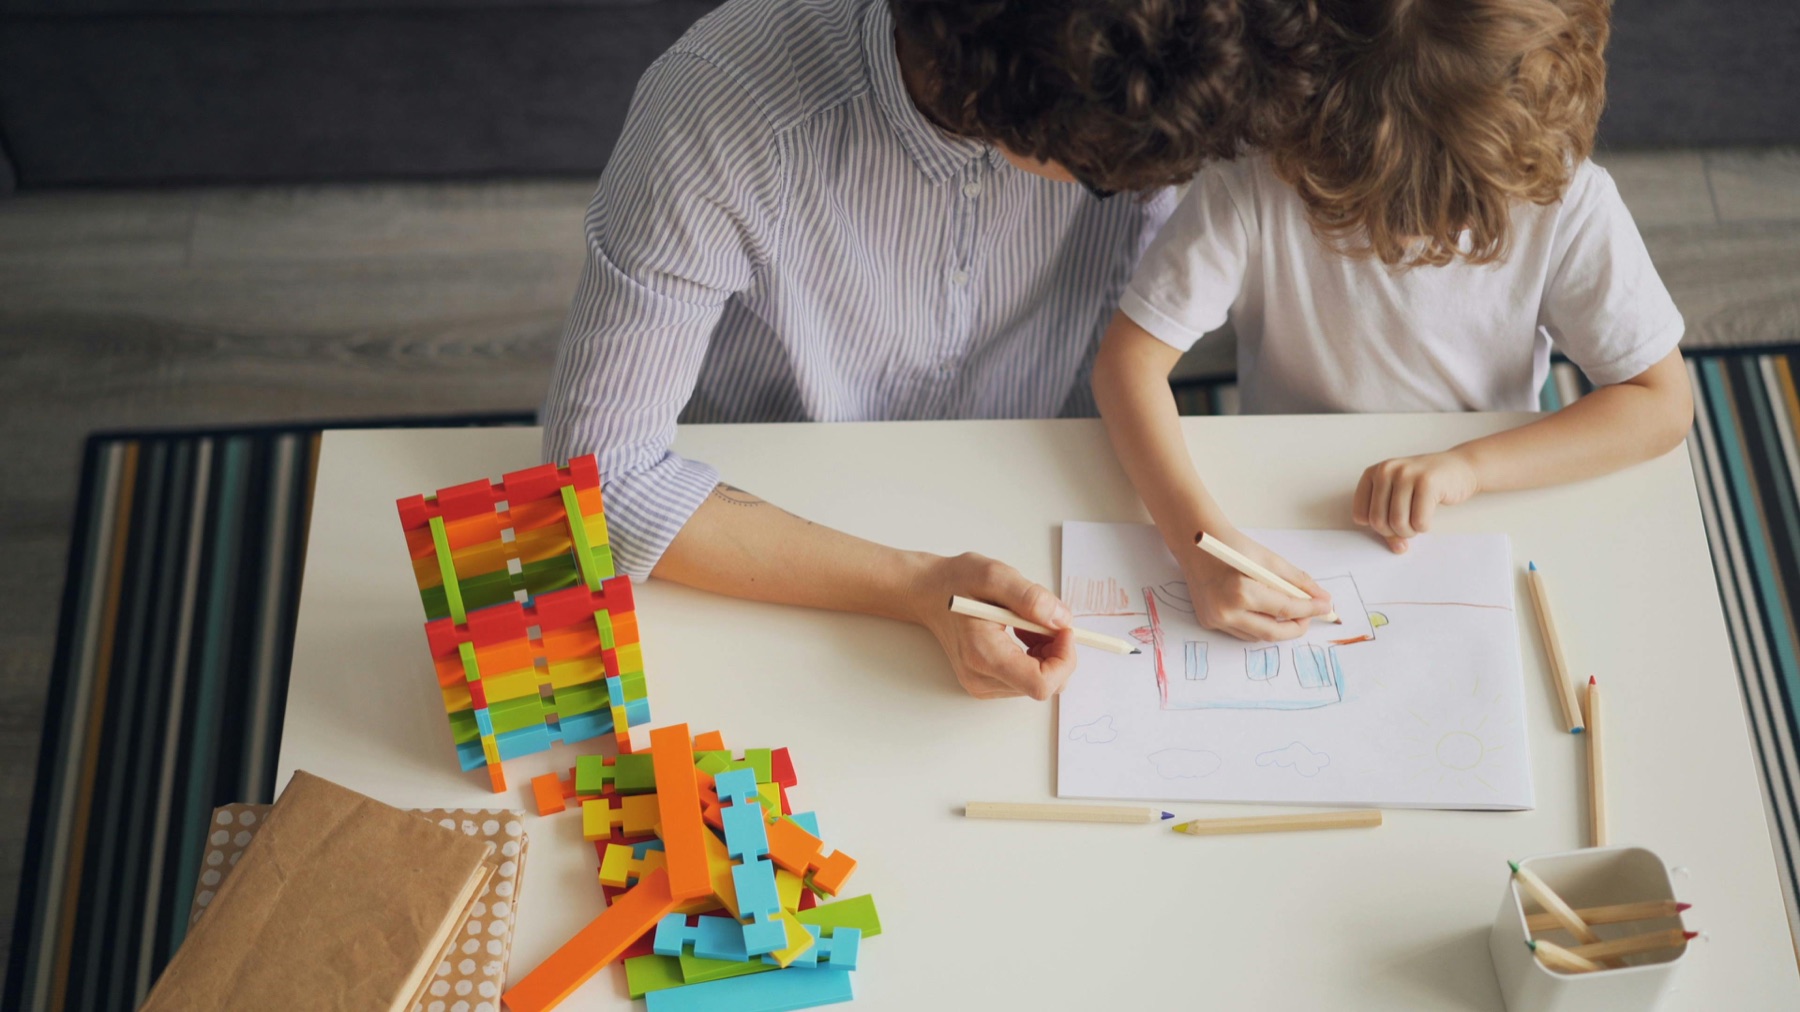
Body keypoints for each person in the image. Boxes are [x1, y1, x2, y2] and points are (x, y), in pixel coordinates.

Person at [542, 0, 1317, 696]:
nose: (1154, 185)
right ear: (993, 91)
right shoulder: (724, 105)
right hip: (774, 511)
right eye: (1102, 175)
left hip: (1052, 481)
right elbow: (598, 484)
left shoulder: (1182, 72)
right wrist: (917, 589)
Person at [1093, 0, 1692, 641]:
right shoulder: (1250, 180)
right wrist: (1199, 545)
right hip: (1282, 486)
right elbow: (1127, 364)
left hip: (1488, 491)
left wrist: (1470, 468)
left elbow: (1660, 404)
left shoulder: (1565, 201)